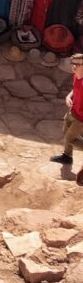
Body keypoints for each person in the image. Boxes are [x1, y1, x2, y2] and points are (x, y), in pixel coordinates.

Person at [50, 52, 83, 185]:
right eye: (72, 63)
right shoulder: (77, 76)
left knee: (70, 139)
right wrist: (68, 97)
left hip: (80, 119)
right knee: (65, 133)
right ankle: (67, 157)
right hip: (72, 112)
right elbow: (75, 90)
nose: (74, 67)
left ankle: (67, 155)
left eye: (77, 64)